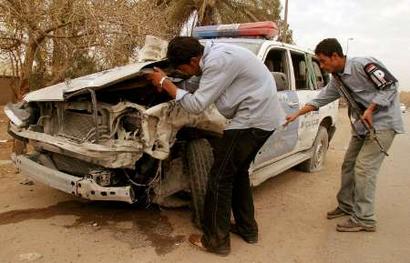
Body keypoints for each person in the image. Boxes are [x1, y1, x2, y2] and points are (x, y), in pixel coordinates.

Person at [146, 36, 285, 255]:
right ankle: (247, 229)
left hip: (252, 121)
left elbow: (197, 104)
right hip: (262, 119)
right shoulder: (210, 56)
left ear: (193, 60)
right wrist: (174, 82)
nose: (184, 72)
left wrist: (165, 83)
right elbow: (194, 83)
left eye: (183, 68)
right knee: (237, 174)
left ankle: (216, 241)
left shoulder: (218, 61)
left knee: (219, 179)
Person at [286, 38, 404, 232]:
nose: (322, 66)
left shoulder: (364, 64)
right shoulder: (337, 79)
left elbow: (390, 85)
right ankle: (346, 205)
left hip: (383, 125)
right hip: (362, 127)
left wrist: (371, 109)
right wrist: (296, 114)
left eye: (323, 61)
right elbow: (320, 99)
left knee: (364, 169)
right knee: (348, 164)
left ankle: (365, 218)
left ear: (335, 56)